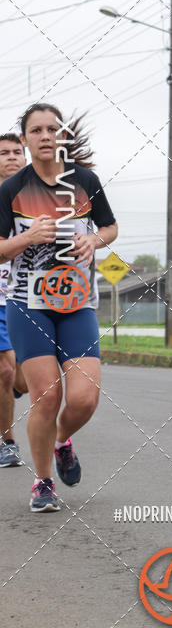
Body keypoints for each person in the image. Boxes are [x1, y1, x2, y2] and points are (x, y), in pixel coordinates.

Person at [0, 104, 118, 512]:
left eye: (53, 129)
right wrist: (27, 237)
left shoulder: (85, 181)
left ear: (63, 135)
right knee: (45, 397)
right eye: (37, 130)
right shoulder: (11, 189)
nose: (46, 135)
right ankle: (42, 481)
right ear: (25, 139)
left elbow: (110, 227)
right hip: (27, 302)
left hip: (77, 302)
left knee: (84, 399)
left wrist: (95, 241)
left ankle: (61, 440)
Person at [0, 133, 28, 468]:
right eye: (3, 152)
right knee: (6, 370)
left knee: (23, 380)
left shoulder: (37, 197)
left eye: (15, 152)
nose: (10, 157)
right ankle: (7, 441)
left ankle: (7, 398)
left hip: (28, 295)